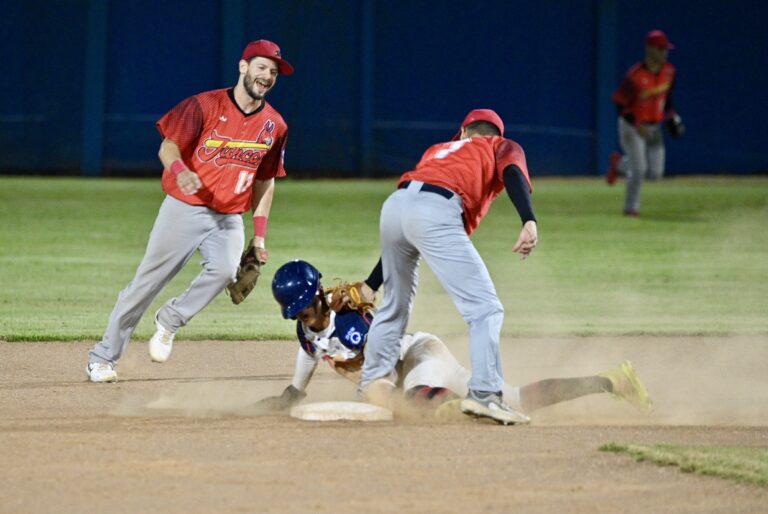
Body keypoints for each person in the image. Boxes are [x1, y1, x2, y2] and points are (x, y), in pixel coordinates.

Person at [86, 40, 293, 382]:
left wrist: (259, 237)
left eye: (273, 72)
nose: (267, 76)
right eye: (261, 67)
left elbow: (265, 181)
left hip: (229, 217)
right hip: (185, 209)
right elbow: (168, 146)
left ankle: (170, 320)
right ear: (243, 67)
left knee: (226, 271)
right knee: (146, 285)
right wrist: (180, 172)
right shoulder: (203, 105)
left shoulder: (276, 125)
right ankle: (102, 358)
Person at [257, 260, 653, 420]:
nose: (302, 318)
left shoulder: (349, 321)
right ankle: (611, 381)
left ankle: (467, 407)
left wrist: (381, 393)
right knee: (515, 398)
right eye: (296, 314)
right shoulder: (309, 326)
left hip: (418, 356)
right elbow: (310, 349)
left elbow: (385, 356)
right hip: (420, 364)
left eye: (305, 309)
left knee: (405, 401)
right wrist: (293, 392)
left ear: (318, 297)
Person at [354, 108, 539, 425]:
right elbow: (513, 174)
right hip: (436, 208)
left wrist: (372, 283)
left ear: (464, 132)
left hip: (396, 205)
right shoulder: (501, 146)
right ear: (496, 135)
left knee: (395, 305)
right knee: (485, 309)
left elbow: (411, 220)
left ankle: (371, 385)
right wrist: (529, 219)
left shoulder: (438, 150)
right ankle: (485, 395)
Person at [605, 29, 685, 216]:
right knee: (639, 169)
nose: (665, 53)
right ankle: (631, 208)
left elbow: (668, 99)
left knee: (655, 173)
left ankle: (618, 165)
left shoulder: (669, 72)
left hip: (655, 126)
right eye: (661, 49)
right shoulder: (634, 75)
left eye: (666, 49)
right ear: (649, 49)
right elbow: (620, 103)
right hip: (631, 126)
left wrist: (672, 115)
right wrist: (636, 124)